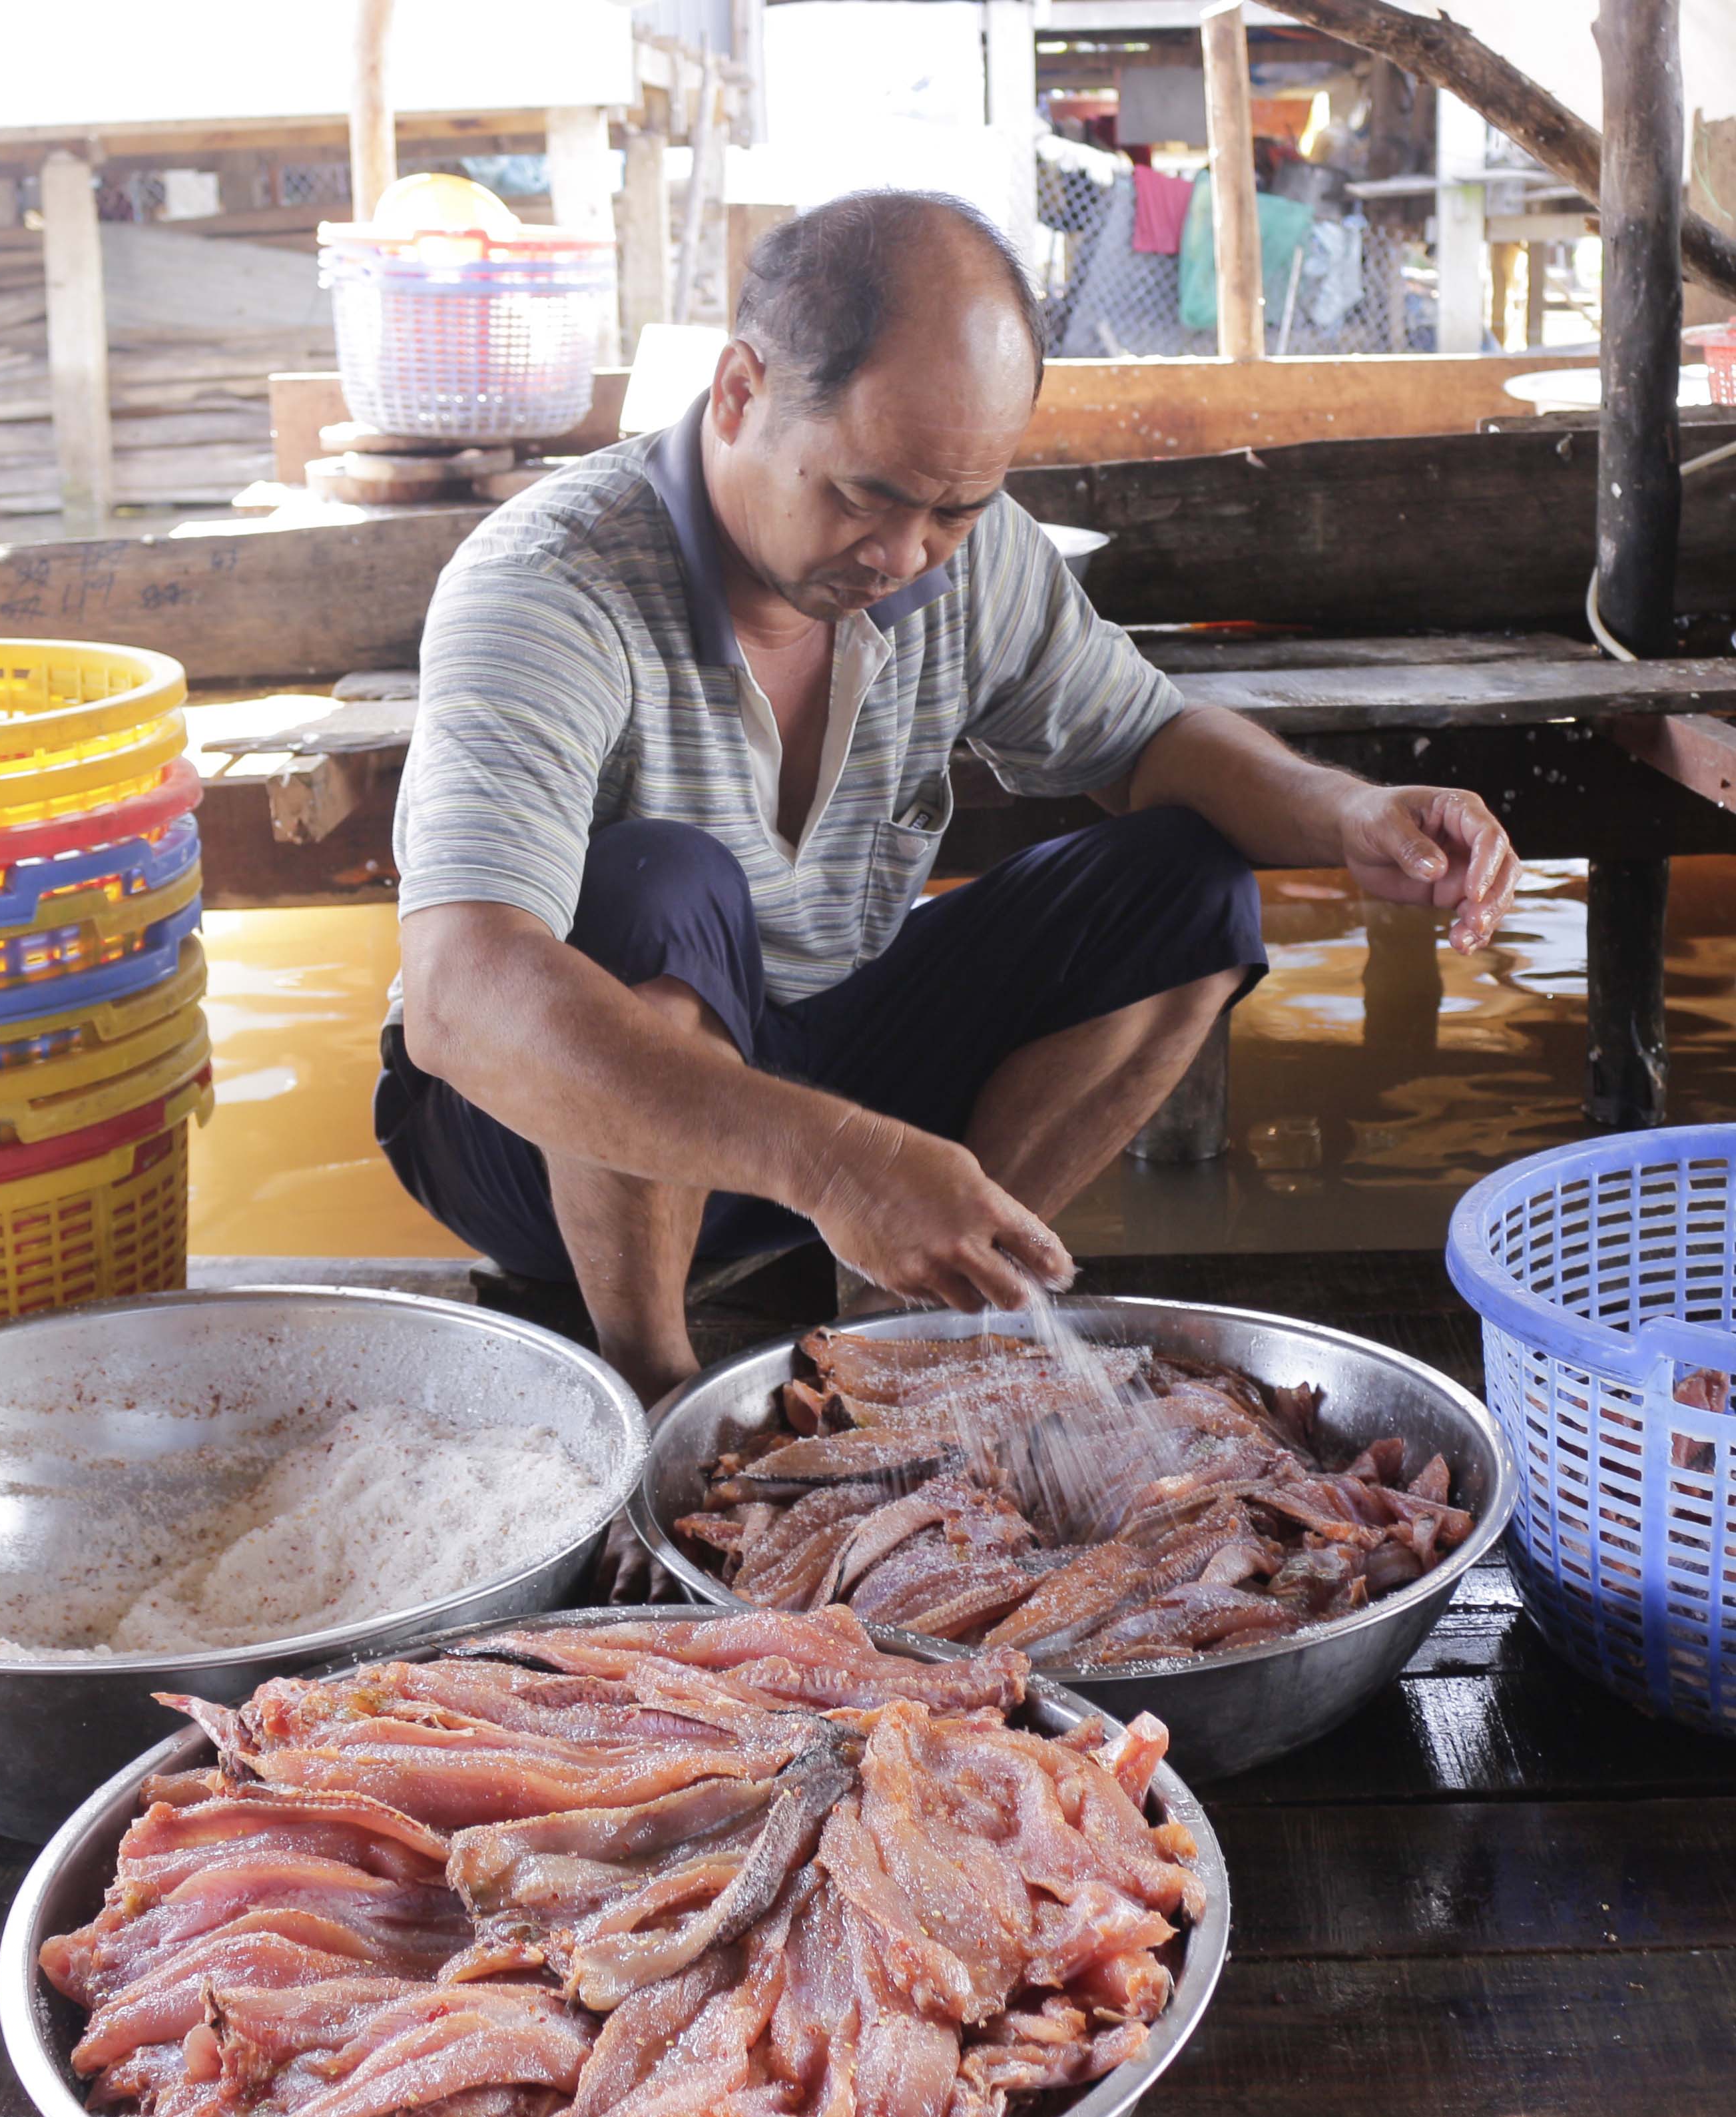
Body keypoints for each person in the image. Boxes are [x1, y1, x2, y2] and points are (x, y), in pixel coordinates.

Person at [377, 188, 1517, 1412]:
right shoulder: (550, 586)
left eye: (955, 508)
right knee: (664, 882)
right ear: (740, 394)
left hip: (819, 1073)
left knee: (1184, 879)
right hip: (532, 1144)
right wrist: (840, 1159)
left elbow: (1149, 739)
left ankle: (909, 1331)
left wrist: (1344, 814)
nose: (906, 554)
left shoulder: (966, 556)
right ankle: (654, 1386)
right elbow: (459, 995)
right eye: (865, 495)